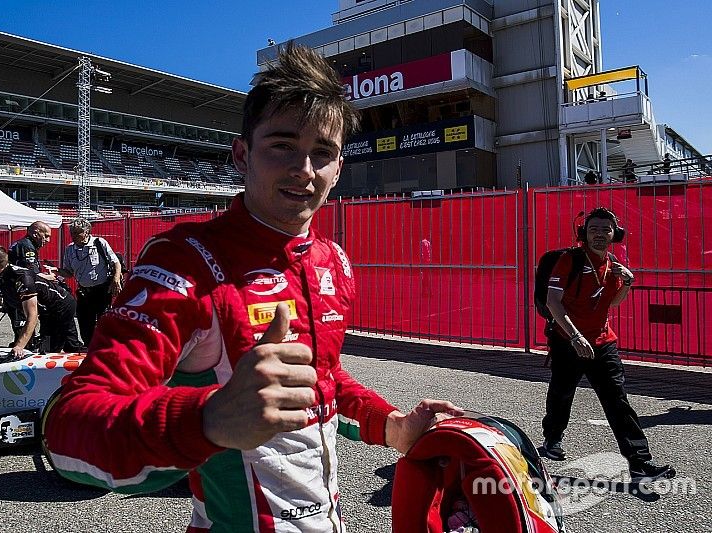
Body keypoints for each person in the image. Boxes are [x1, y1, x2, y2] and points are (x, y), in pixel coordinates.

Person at [43, 43, 463, 531]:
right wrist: (207, 421)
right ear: (242, 155)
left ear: (339, 168)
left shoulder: (333, 261)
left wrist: (393, 427)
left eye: (322, 153)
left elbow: (321, 383)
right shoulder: (186, 262)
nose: (304, 170)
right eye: (283, 144)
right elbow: (68, 430)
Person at [540, 207, 675, 482]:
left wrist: (628, 283)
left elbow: (612, 302)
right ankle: (552, 440)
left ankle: (639, 462)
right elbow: (553, 302)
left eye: (605, 229)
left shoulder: (612, 263)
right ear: (583, 234)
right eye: (593, 229)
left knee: (617, 400)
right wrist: (576, 336)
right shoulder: (569, 260)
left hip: (602, 343)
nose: (599, 234)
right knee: (562, 394)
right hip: (569, 341)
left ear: (615, 234)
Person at [57, 218, 122, 346]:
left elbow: (116, 262)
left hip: (102, 290)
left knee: (103, 321)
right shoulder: (70, 249)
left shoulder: (99, 243)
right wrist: (57, 271)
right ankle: (89, 346)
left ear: (86, 232)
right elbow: (69, 272)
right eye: (72, 233)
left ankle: (105, 346)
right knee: (84, 322)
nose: (73, 236)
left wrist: (115, 279)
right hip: (84, 291)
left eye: (77, 233)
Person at [6, 221, 54, 344]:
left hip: (15, 293)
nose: (48, 240)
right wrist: (50, 277)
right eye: (46, 236)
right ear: (36, 233)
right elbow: (32, 274)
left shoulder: (22, 244)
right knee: (25, 330)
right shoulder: (27, 246)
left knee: (24, 329)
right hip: (19, 294)